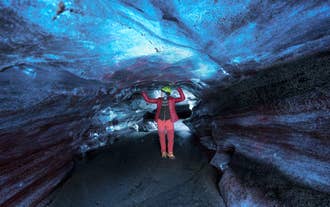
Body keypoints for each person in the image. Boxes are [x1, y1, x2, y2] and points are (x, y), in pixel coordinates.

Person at [141, 85, 185, 159]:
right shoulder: (159, 100)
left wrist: (179, 89)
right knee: (162, 137)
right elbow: (148, 100)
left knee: (170, 137)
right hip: (160, 121)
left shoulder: (173, 99)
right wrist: (143, 92)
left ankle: (170, 153)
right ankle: (163, 152)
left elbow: (182, 98)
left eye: (162, 92)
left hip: (169, 121)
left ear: (167, 93)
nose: (161, 93)